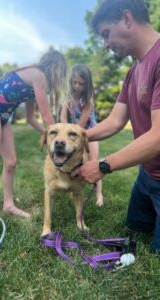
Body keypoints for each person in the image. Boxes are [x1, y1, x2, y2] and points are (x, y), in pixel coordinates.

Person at [74, 0, 160, 252]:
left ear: (126, 18)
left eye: (105, 34)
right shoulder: (133, 72)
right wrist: (76, 136)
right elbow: (115, 121)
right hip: (147, 176)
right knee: (133, 231)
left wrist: (103, 165)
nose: (105, 44)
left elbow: (158, 137)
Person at [0, 50, 67, 239]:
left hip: (3, 115)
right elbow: (46, 115)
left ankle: (8, 204)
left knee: (11, 162)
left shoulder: (33, 83)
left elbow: (31, 118)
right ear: (57, 68)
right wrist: (58, 136)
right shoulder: (38, 75)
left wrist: (48, 136)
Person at [60, 64, 103, 206]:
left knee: (93, 163)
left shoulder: (88, 101)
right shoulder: (67, 98)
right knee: (74, 163)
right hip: (73, 134)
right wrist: (64, 133)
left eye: (81, 84)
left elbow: (82, 125)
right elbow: (63, 119)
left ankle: (99, 195)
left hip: (90, 133)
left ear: (87, 84)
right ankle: (76, 190)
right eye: (75, 82)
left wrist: (70, 134)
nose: (77, 86)